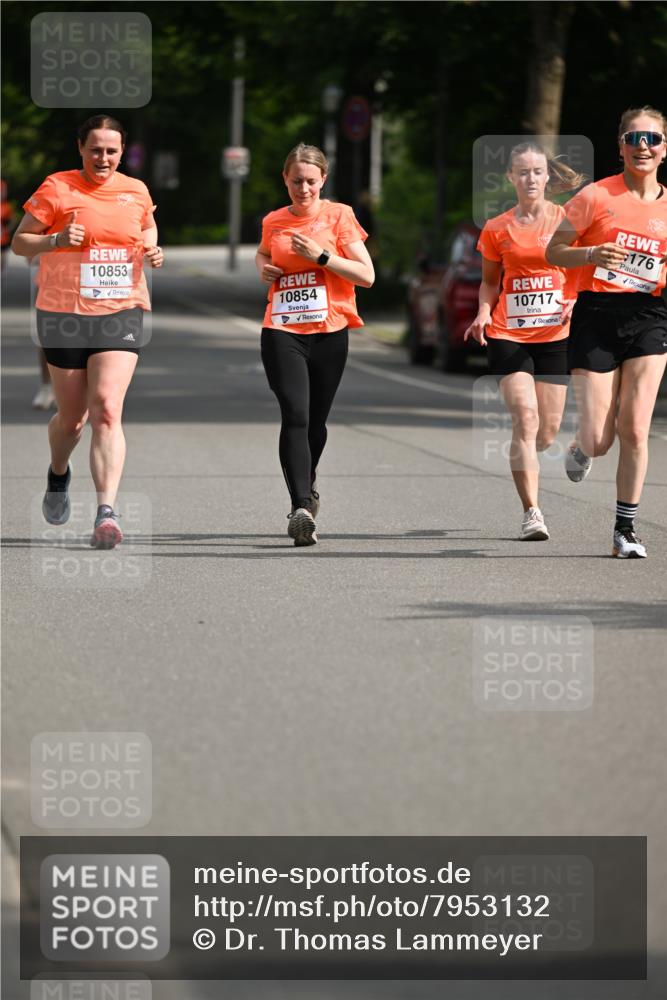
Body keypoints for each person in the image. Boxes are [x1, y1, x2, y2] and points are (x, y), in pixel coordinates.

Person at [11, 114, 164, 548]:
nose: (103, 158)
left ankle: (106, 513)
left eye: (112, 151)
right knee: (73, 419)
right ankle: (58, 472)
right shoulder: (57, 187)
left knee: (107, 408)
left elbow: (147, 225)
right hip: (63, 313)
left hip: (121, 309)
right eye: (95, 149)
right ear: (80, 148)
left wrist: (153, 247)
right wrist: (56, 240)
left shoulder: (135, 190)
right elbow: (21, 241)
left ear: (122, 152)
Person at [547, 106, 667, 558]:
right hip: (596, 315)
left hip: (649, 316)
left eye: (652, 139)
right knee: (601, 438)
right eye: (634, 138)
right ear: (620, 146)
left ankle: (625, 530)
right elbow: (554, 250)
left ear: (664, 149)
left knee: (636, 427)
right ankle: (582, 442)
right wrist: (593, 252)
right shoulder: (595, 197)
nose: (643, 146)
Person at [256, 143, 374, 546]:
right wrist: (263, 267)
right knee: (296, 413)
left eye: (310, 181)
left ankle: (308, 482)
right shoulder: (274, 221)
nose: (303, 189)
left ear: (323, 180)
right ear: (284, 180)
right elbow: (262, 253)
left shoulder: (339, 216)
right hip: (282, 329)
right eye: (295, 181)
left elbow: (366, 275)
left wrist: (323, 256)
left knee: (316, 422)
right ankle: (300, 508)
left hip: (329, 331)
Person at [464, 142, 584, 540]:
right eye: (523, 172)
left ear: (547, 176)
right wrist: (483, 312)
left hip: (554, 335)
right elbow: (488, 283)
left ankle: (572, 449)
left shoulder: (566, 219)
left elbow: (583, 272)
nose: (530, 179)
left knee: (546, 433)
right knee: (525, 419)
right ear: (510, 177)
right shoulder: (497, 227)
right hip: (508, 333)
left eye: (537, 171)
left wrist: (572, 300)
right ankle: (532, 512)